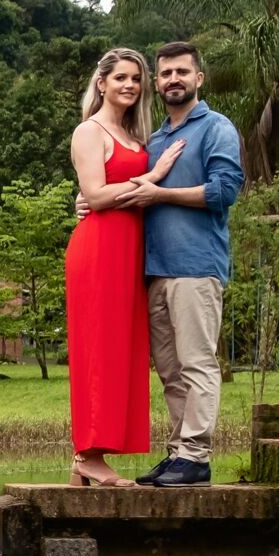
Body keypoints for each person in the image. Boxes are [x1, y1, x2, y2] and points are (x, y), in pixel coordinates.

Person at [96, 41, 245, 488]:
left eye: (182, 72)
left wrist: (159, 194)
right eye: (165, 74)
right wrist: (90, 199)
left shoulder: (216, 128)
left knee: (198, 363)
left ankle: (197, 455)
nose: (173, 80)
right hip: (154, 271)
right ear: (157, 83)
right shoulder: (156, 139)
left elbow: (223, 192)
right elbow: (128, 190)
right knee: (170, 370)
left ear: (199, 78)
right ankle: (179, 453)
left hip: (196, 267)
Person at [64, 48, 184, 487]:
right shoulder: (89, 131)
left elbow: (106, 192)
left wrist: (143, 177)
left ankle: (85, 462)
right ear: (102, 84)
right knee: (97, 350)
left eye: (136, 78)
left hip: (129, 253)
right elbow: (94, 196)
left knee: (120, 353)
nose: (130, 85)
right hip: (98, 252)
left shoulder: (136, 136)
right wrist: (152, 177)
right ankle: (89, 457)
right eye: (121, 78)